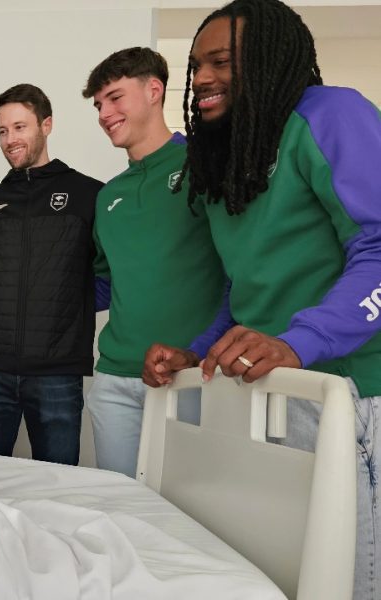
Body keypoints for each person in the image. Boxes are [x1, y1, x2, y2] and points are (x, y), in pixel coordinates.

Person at [142, 1, 381, 596]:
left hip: (356, 393)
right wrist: (199, 352)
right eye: (196, 65)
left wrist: (300, 342)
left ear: (271, 59)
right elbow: (245, 283)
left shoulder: (332, 114)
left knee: (349, 578)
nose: (201, 79)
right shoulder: (229, 154)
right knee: (279, 574)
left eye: (221, 61)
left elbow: (378, 246)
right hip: (274, 391)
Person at [80, 48, 227, 477]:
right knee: (124, 518)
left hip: (191, 376)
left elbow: (242, 274)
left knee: (194, 517)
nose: (105, 113)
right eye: (98, 105)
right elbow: (107, 284)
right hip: (114, 380)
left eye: (114, 97)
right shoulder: (109, 197)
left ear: (153, 90)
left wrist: (201, 352)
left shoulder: (207, 167)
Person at [0, 84, 101, 464]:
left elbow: (115, 272)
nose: (10, 139)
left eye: (20, 127)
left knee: (58, 487)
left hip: (58, 373)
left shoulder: (88, 196)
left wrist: (74, 309)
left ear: (46, 125)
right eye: (2, 130)